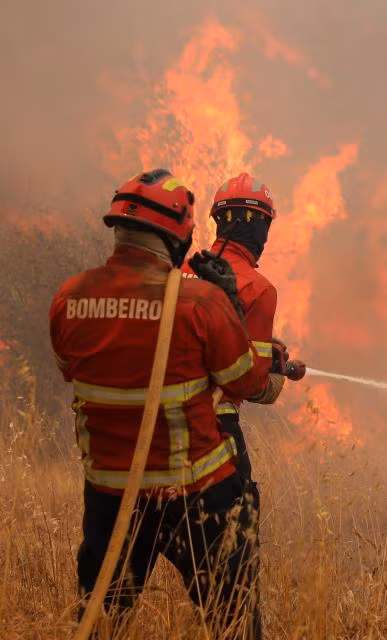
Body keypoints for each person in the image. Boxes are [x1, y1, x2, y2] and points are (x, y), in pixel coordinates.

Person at [49, 169, 266, 639]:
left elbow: (75, 368)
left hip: (109, 496)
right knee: (232, 621)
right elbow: (246, 382)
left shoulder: (68, 299)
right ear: (178, 238)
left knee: (102, 619)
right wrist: (228, 300)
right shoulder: (199, 304)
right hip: (196, 496)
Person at [184, 171, 306, 489]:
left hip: (160, 425)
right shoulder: (259, 289)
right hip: (215, 428)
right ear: (260, 226)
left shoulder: (180, 271)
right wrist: (275, 372)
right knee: (234, 529)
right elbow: (248, 384)